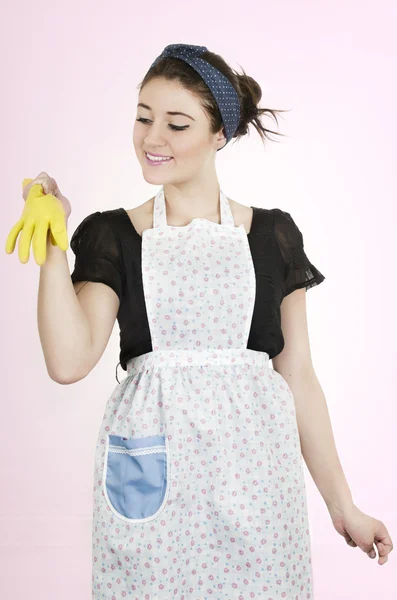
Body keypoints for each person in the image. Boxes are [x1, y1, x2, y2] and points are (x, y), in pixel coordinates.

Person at [32, 44, 393, 598]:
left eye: (177, 124)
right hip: (155, 494)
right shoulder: (116, 235)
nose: (153, 139)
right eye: (143, 117)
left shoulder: (273, 235)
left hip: (258, 497)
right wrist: (54, 240)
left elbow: (298, 377)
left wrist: (344, 507)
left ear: (219, 134)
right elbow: (68, 360)